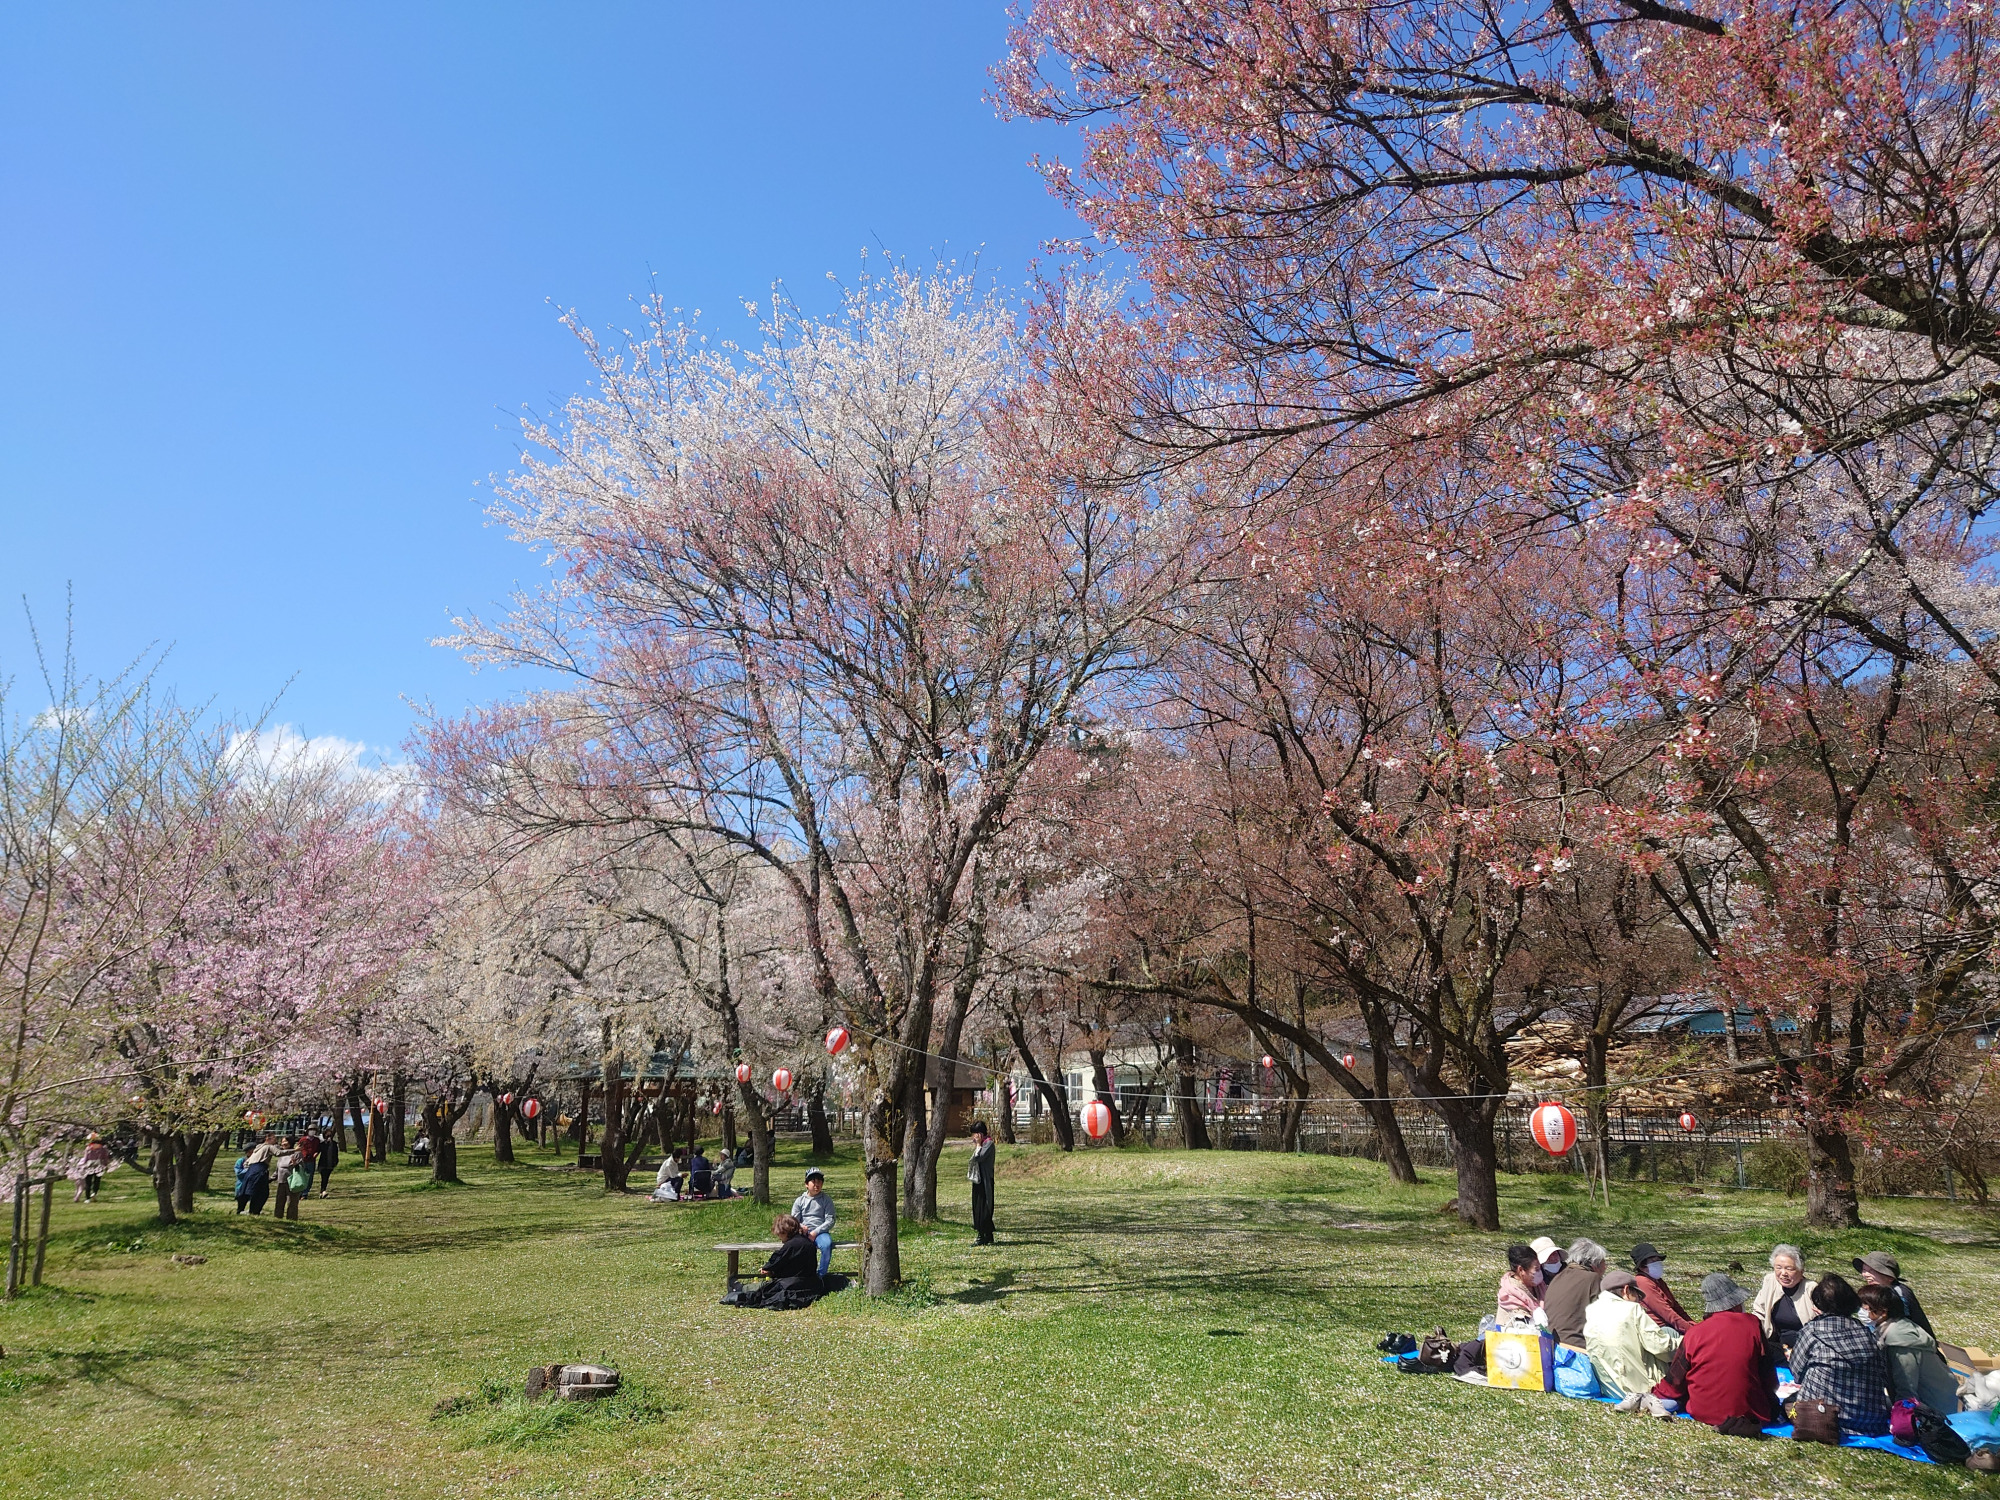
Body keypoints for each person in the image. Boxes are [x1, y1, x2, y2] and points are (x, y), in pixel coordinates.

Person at [1654, 1274, 1780, 1437]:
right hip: (1750, 1412)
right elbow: (1767, 1372)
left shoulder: (1695, 1333)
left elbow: (1676, 1380)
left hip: (1703, 1412)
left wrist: (1655, 1391)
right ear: (1735, 1303)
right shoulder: (1752, 1323)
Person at [1789, 1274, 1892, 1437]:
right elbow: (1882, 1371)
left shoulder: (1812, 1331)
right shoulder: (1866, 1332)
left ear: (1818, 1303)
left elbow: (1797, 1374)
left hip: (1823, 1415)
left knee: (1790, 1402)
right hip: (1870, 1419)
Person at [1858, 1283, 1961, 1413]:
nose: (1861, 1312)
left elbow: (1906, 1387)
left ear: (1883, 1312)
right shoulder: (1892, 1327)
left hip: (1939, 1408)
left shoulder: (1900, 1341)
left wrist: (1902, 1419)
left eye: (1864, 1308)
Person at [1586, 1268, 1682, 1402]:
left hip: (1609, 1388)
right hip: (1637, 1388)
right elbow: (1661, 1347)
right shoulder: (1632, 1309)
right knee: (1669, 1333)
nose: (1638, 1300)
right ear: (1626, 1290)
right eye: (1637, 1295)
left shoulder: (1592, 1310)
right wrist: (1686, 1342)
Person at [1750, 1244, 1818, 1366]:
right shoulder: (1770, 1281)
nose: (1783, 1273)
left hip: (1805, 1348)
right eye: (1778, 1268)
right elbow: (1758, 1313)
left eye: (1789, 1269)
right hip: (1777, 1345)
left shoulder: (1811, 1289)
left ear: (1801, 1270)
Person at [1543, 1238, 1609, 1350]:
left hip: (1553, 1344)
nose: (1606, 1266)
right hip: (1576, 1348)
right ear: (1594, 1264)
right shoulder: (1592, 1278)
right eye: (1603, 1262)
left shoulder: (1558, 1277)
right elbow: (1603, 1318)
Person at [1853, 1251, 1935, 1340]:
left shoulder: (1898, 1294)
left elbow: (1902, 1326)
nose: (1865, 1275)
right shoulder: (1874, 1292)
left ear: (1889, 1277)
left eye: (1871, 1271)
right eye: (1864, 1270)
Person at [1630, 1241, 1694, 1335]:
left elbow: (1676, 1307)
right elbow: (1666, 1312)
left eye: (1658, 1260)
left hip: (1670, 1325)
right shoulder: (1642, 1282)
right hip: (1658, 1330)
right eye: (1653, 1261)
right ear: (1643, 1266)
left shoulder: (1658, 1281)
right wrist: (1691, 1330)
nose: (1658, 1264)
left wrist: (1693, 1324)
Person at [791, 1169, 836, 1279]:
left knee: (826, 1245)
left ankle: (821, 1275)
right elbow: (794, 1220)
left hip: (820, 1232)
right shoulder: (800, 1200)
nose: (816, 1185)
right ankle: (800, 1275)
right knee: (796, 1246)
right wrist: (801, 1227)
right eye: (813, 1182)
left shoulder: (826, 1200)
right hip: (803, 1232)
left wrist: (816, 1232)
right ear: (806, 1184)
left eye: (819, 1182)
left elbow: (830, 1220)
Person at [1498, 1244, 1543, 1322]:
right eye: (1537, 1269)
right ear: (1521, 1270)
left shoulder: (1540, 1287)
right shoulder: (1509, 1297)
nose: (1540, 1272)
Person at [968, 1120, 996, 1246]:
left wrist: (978, 1145)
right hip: (978, 1180)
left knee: (984, 1207)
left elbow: (979, 1158)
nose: (973, 1138)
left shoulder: (988, 1144)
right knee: (977, 1206)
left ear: (980, 1134)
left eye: (975, 1134)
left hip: (985, 1181)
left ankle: (982, 1235)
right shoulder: (981, 1144)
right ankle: (987, 1234)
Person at [240, 1132, 278, 1215]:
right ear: (268, 1138)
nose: (276, 1140)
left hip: (251, 1170)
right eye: (274, 1138)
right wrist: (294, 1150)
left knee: (249, 1191)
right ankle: (254, 1211)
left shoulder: (258, 1148)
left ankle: (243, 1209)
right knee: (261, 1193)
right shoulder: (269, 1147)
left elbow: (246, 1163)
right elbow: (278, 1153)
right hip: (259, 1171)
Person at [271, 1137, 307, 1221]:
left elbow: (302, 1167)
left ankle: (291, 1219)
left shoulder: (297, 1153)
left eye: (285, 1141)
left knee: (292, 1202)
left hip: (292, 1181)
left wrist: (295, 1164)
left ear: (290, 1142)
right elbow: (278, 1168)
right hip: (281, 1181)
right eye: (282, 1142)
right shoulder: (282, 1153)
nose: (283, 1143)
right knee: (279, 1201)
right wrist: (272, 1178)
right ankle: (277, 1218)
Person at [73, 1134, 114, 1204]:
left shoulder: (88, 1148)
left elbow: (86, 1158)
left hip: (89, 1165)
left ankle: (87, 1198)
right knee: (97, 1181)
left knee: (88, 1182)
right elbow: (105, 1158)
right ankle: (94, 1193)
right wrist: (106, 1165)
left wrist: (82, 1165)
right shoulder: (103, 1149)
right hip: (99, 1165)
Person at [316, 1130, 339, 1197]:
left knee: (326, 1178)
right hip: (323, 1164)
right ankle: (323, 1191)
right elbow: (318, 1151)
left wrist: (336, 1161)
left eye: (330, 1135)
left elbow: (336, 1153)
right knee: (324, 1177)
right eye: (327, 1135)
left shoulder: (334, 1144)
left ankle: (322, 1191)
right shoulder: (322, 1144)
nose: (329, 1137)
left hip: (330, 1164)